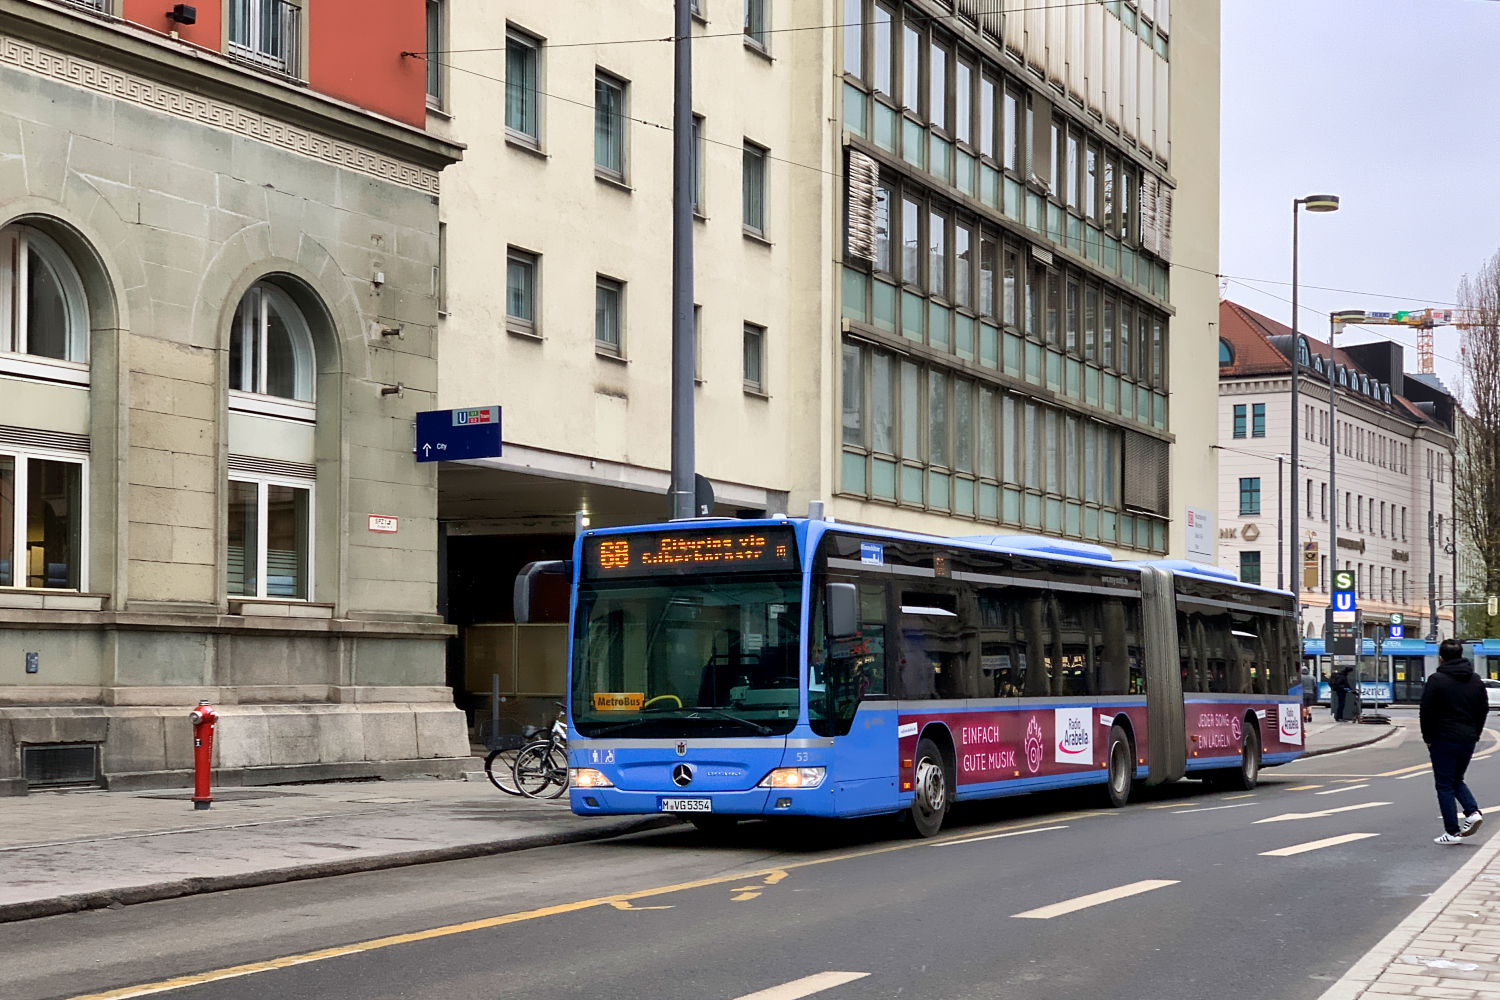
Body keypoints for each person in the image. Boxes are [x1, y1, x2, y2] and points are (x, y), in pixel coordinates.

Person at [1420, 638, 1488, 845]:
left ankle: (1452, 832)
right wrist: (1475, 733)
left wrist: (1428, 738)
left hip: (1443, 738)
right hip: (1468, 739)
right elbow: (1483, 709)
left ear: (1441, 658)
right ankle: (1472, 811)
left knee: (1445, 785)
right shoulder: (1476, 680)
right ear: (1461, 655)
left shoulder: (1437, 680)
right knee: (1456, 779)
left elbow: (1426, 712)